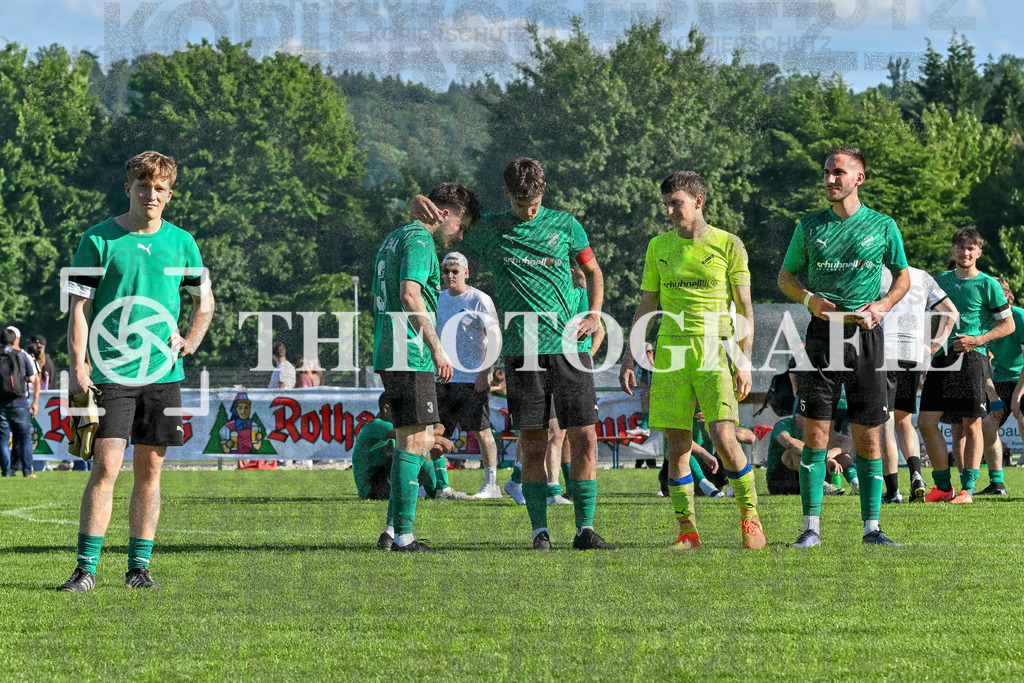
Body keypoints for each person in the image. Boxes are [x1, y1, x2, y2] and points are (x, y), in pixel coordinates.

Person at [413, 158, 614, 551]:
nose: (530, 210)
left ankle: (584, 530)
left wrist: (595, 313)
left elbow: (594, 272)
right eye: (522, 203)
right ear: (507, 194)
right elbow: (451, 218)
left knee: (585, 438)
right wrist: (419, 201)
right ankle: (540, 531)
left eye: (535, 201)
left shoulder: (567, 225)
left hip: (570, 350)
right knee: (535, 443)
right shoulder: (490, 229)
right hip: (524, 353)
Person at [59, 150, 214, 591]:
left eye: (159, 188)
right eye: (142, 186)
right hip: (110, 372)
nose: (151, 194)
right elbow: (79, 309)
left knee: (150, 469)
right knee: (106, 465)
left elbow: (206, 301)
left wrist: (191, 339)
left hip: (162, 374)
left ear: (169, 194)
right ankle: (85, 569)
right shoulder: (98, 239)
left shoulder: (181, 242)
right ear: (128, 188)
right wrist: (78, 364)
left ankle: (138, 568)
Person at [620, 170, 765, 550]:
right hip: (670, 352)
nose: (670, 210)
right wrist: (630, 356)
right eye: (666, 204)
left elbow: (745, 307)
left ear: (698, 202)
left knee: (722, 436)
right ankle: (687, 533)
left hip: (715, 349)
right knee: (677, 445)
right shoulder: (658, 247)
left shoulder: (729, 245)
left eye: (677, 203)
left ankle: (750, 518)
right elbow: (646, 305)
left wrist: (744, 360)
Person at [777, 147, 910, 547]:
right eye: (826, 173)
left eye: (838, 173)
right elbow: (785, 277)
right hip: (823, 335)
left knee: (869, 434)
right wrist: (809, 300)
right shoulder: (810, 226)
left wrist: (884, 304)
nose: (830, 180)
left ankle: (872, 529)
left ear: (859, 179)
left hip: (867, 337)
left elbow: (902, 276)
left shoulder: (883, 225)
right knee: (815, 433)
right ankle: (810, 529)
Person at [373, 182, 480, 553]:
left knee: (409, 438)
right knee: (416, 442)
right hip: (410, 350)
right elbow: (409, 293)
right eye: (461, 226)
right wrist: (437, 348)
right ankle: (404, 536)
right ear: (446, 214)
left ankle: (390, 532)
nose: (459, 235)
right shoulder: (420, 239)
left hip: (390, 348)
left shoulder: (396, 236)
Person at [918, 230, 1016, 503]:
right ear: (953, 251)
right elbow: (932, 321)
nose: (965, 253)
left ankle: (967, 490)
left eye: (971, 248)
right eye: (961, 248)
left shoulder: (989, 284)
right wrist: (928, 353)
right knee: (926, 422)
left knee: (971, 424)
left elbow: (1008, 325)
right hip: (941, 359)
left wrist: (978, 340)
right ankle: (942, 487)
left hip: (973, 358)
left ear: (979, 253)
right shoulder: (940, 282)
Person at [878, 266, 957, 503]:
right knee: (904, 421)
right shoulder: (921, 276)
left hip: (884, 351)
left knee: (886, 422)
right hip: (911, 354)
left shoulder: (874, 271)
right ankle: (916, 476)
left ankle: (893, 492)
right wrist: (934, 347)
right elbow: (950, 311)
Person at [435, 251, 501, 499]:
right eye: (446, 271)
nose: (450, 276)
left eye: (455, 271)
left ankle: (491, 484)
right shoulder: (438, 299)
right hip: (442, 378)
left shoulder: (479, 299)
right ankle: (440, 486)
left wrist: (485, 373)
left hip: (472, 379)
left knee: (482, 431)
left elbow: (494, 338)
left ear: (466, 272)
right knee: (436, 432)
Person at [975, 277, 1024, 495]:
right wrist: (992, 395)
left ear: (1005, 296)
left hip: (1022, 379)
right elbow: (983, 361)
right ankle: (997, 484)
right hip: (999, 380)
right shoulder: (983, 321)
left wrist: (1017, 396)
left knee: (1023, 421)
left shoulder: (1020, 317)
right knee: (987, 423)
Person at [766, 414, 854, 496]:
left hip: (812, 476)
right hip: (781, 481)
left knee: (841, 452)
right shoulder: (783, 424)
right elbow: (789, 442)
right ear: (799, 415)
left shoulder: (818, 427)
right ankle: (821, 486)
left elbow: (847, 441)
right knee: (792, 451)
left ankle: (855, 483)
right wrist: (823, 459)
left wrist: (833, 452)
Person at [0, 327, 38, 478]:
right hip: (20, 402)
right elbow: (33, 378)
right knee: (24, 438)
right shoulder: (22, 355)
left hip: (1, 404)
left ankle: (7, 472)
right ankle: (27, 472)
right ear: (15, 339)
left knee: (3, 440)